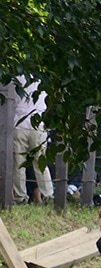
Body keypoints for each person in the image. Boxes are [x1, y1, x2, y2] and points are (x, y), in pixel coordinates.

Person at [5, 77, 49, 205]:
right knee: (40, 163)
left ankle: (20, 197)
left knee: (19, 164)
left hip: (19, 124)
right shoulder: (41, 79)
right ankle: (47, 195)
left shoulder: (14, 80)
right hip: (38, 124)